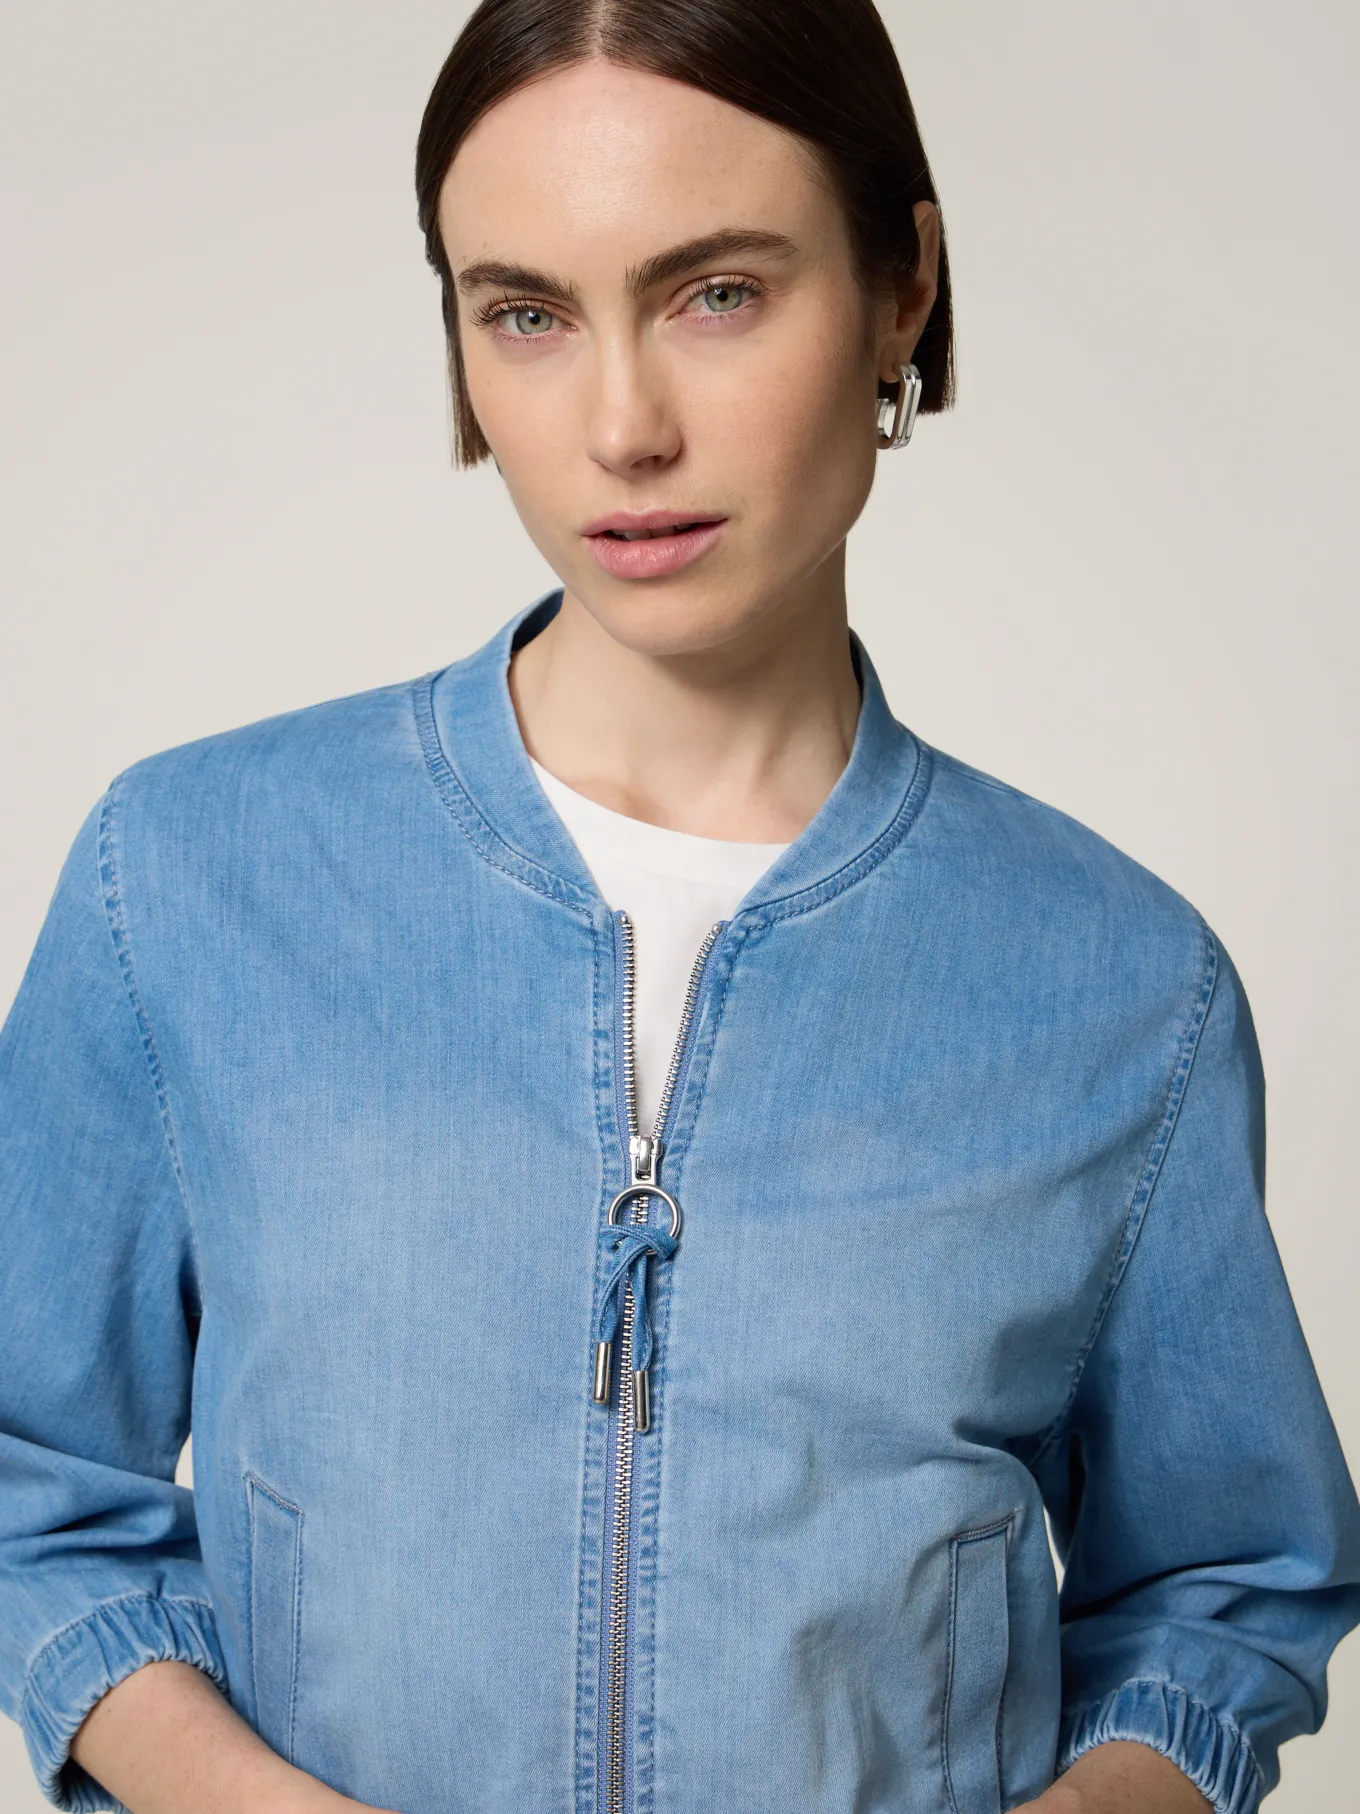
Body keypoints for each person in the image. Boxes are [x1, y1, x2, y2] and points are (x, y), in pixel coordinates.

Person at [2, 1, 1357, 1811]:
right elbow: (27, 1474)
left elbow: (1225, 1588)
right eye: (527, 313)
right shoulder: (184, 877)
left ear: (901, 290)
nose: (622, 426)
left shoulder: (1124, 988)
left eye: (717, 293)